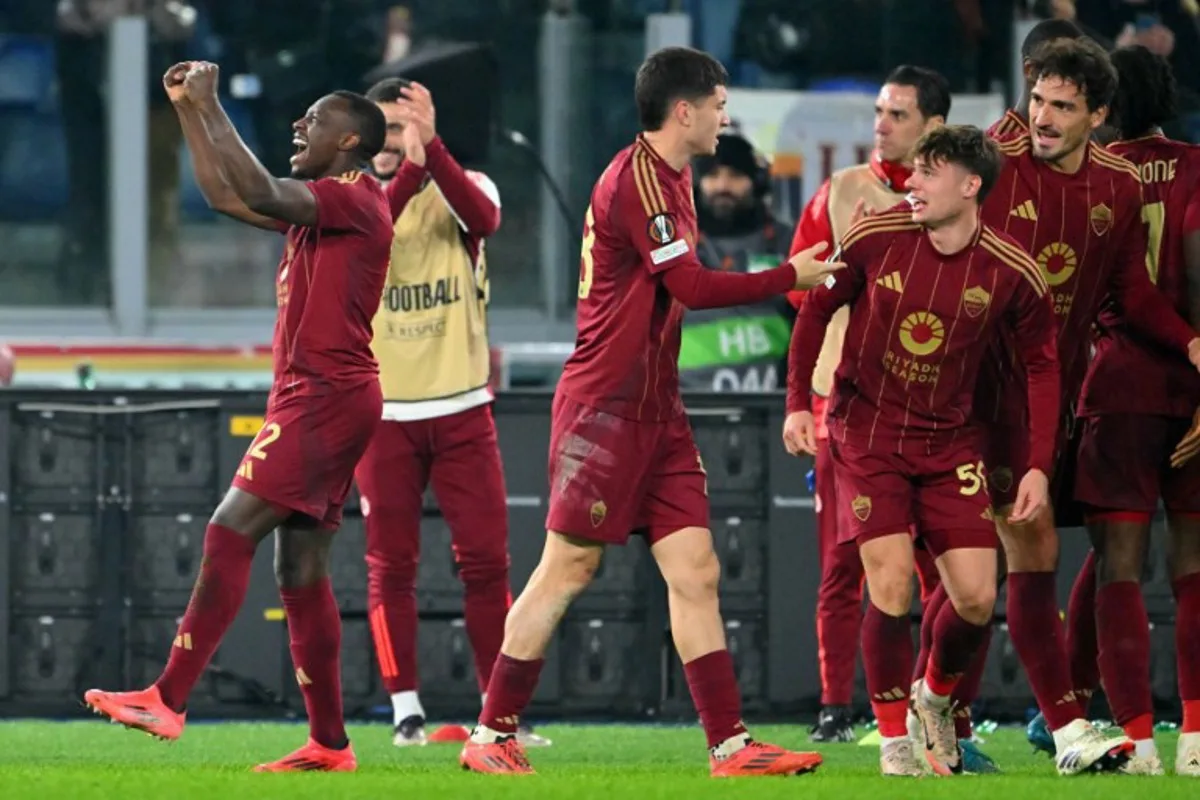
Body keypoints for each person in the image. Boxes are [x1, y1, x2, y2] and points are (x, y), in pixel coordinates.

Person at [457, 46, 841, 777]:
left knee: (696, 569)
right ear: (686, 110)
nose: (727, 116)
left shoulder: (673, 172)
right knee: (568, 567)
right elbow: (692, 288)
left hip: (657, 410)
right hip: (604, 409)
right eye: (720, 103)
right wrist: (790, 276)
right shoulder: (637, 182)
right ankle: (489, 733)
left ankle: (730, 748)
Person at [83, 61, 392, 773]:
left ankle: (169, 697)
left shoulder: (355, 196)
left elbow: (252, 185)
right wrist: (190, 111)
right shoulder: (324, 208)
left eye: (312, 119)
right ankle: (330, 744)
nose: (298, 126)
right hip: (321, 394)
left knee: (230, 526)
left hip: (324, 394)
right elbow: (226, 195)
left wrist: (215, 100)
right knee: (301, 567)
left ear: (349, 141)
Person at [783, 125, 1060, 776]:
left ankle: (931, 698)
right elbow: (815, 312)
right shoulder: (876, 234)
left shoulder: (1012, 270)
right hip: (866, 431)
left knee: (974, 598)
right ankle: (893, 743)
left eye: (930, 174)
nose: (913, 183)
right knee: (893, 584)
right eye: (914, 171)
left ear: (970, 188)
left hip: (948, 439)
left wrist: (1038, 467)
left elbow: (1043, 368)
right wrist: (798, 400)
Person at [973, 37, 1200, 775]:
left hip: (1079, 391)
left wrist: (1188, 344)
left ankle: (955, 700)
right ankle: (1096, 727)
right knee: (988, 569)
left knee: (1036, 567)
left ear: (1100, 112)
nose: (1042, 115)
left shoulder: (1116, 182)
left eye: (1061, 104)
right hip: (994, 390)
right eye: (1037, 97)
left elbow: (1129, 292)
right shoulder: (996, 159)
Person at [785, 64, 983, 759]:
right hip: (850, 407)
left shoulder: (956, 205)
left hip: (935, 418)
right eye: (879, 112)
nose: (881, 124)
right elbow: (801, 289)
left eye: (898, 114)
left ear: (935, 126)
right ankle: (840, 706)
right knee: (848, 566)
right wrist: (810, 395)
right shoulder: (842, 196)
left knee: (950, 578)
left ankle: (943, 712)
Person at [352, 77, 547, 749]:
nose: (390, 140)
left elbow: (484, 220)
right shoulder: (351, 202)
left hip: (463, 406)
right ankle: (406, 710)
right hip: (385, 414)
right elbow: (377, 219)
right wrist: (413, 164)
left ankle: (500, 717)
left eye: (400, 125)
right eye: (380, 128)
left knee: (488, 563)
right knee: (391, 566)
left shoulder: (471, 185)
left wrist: (430, 155)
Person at [1052, 45, 1200, 776]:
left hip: (1115, 387)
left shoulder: (1091, 179)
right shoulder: (1197, 166)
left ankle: (1136, 740)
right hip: (1189, 384)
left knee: (1115, 568)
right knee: (1193, 565)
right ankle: (1197, 741)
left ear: (1101, 103)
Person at [679, 131, 795, 393]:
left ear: (756, 182)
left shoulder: (788, 241)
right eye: (712, 176)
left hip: (773, 408)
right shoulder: (671, 245)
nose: (723, 186)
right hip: (689, 408)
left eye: (735, 176)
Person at [987, 18, 1085, 139]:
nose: (1076, 84)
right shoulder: (997, 147)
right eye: (1067, 72)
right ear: (1031, 71)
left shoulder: (1085, 135)